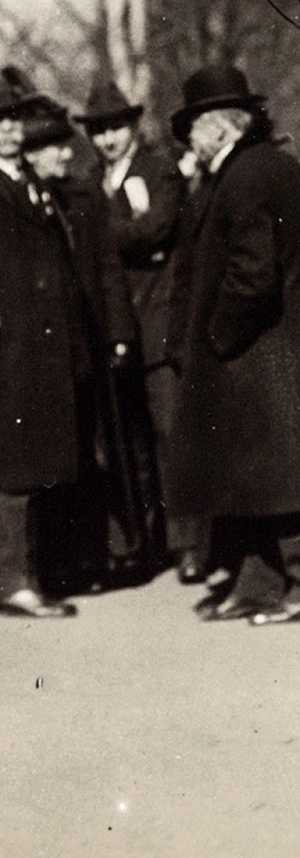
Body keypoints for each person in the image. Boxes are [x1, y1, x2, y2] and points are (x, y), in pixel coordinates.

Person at [167, 65, 300, 624]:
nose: (189, 138)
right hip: (276, 347)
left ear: (223, 127)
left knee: (286, 476)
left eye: (195, 125)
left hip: (262, 350)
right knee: (263, 476)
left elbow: (253, 274)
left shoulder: (245, 177)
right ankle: (259, 584)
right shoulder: (267, 167)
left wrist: (217, 334)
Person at [22, 98, 154, 592]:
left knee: (100, 456)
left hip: (89, 346)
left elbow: (108, 272)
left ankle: (106, 556)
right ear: (32, 156)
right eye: (55, 147)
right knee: (61, 461)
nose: (66, 155)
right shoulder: (26, 205)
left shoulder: (84, 198)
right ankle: (61, 562)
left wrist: (120, 335)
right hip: (47, 355)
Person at [76, 79, 184, 577]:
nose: (107, 139)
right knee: (127, 441)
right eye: (98, 131)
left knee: (168, 432)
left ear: (133, 126)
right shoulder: (90, 179)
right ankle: (144, 544)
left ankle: (188, 546)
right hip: (115, 327)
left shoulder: (158, 168)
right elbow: (135, 236)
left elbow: (157, 228)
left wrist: (98, 237)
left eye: (115, 127)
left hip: (157, 319)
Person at [0, 73, 83, 617]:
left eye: (10, 119)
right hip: (9, 344)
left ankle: (28, 573)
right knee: (13, 468)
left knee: (31, 462)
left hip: (37, 343)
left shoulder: (27, 180)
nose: (7, 129)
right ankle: (14, 580)